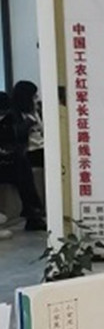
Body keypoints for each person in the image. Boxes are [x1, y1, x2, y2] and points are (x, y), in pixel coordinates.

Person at [0, 91, 47, 231]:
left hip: (8, 161)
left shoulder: (13, 118)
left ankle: (33, 213)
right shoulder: (17, 116)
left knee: (21, 165)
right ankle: (33, 214)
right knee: (21, 164)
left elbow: (10, 140)